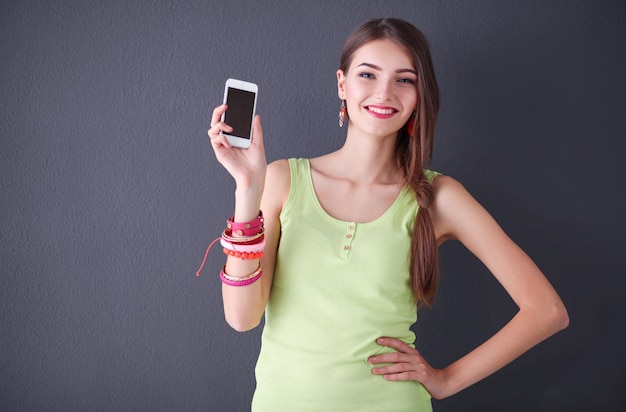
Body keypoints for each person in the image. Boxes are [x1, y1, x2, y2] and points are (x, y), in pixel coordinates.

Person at [205, 17, 569, 412]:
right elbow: (241, 318)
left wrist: (445, 381)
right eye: (368, 74)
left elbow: (546, 311)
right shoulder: (281, 180)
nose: (384, 93)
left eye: (404, 80)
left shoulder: (438, 196)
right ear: (342, 83)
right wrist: (247, 190)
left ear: (419, 95)